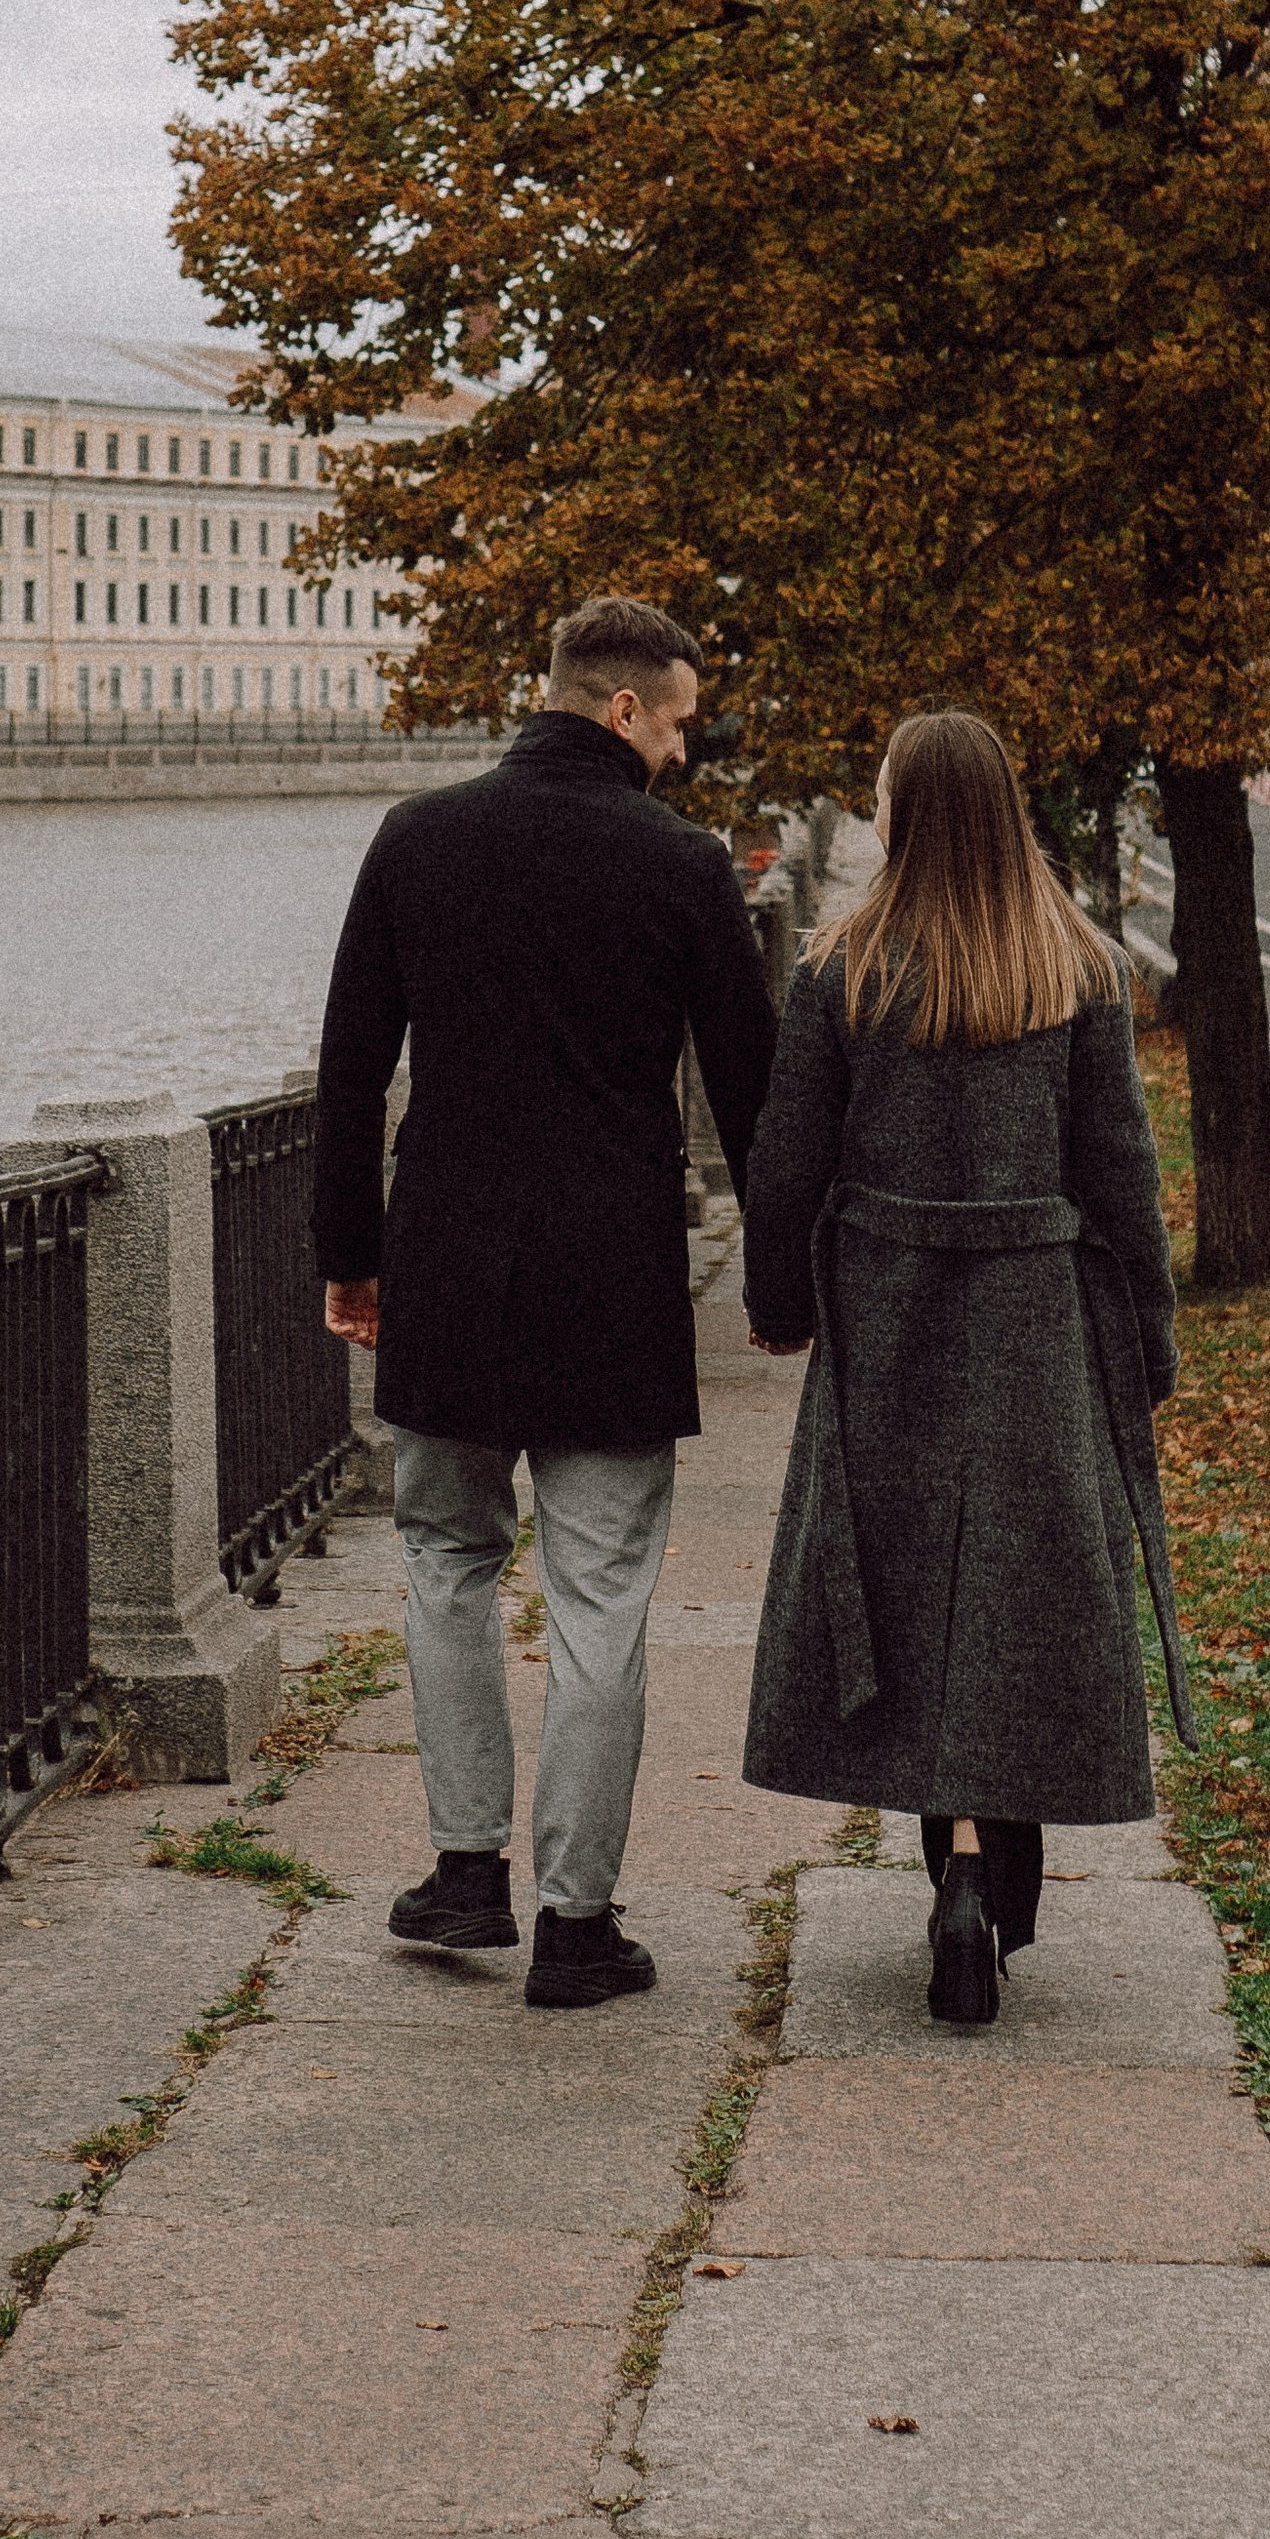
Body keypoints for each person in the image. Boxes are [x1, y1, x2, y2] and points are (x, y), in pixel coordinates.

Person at [313, 595, 778, 2008]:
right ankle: (578, 1925)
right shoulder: (685, 866)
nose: (687, 752)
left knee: (447, 1566)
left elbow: (347, 1068)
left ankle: (465, 1876)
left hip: (446, 1262)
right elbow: (754, 1094)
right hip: (612, 1279)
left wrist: (350, 1253)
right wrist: (782, 1275)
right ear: (625, 708)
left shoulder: (418, 836)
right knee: (600, 1596)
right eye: (682, 722)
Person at [738, 709, 1197, 2025]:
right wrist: (1148, 1341)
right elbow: (1122, 1173)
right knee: (1008, 1598)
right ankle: (990, 1871)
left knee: (907, 1594)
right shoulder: (1079, 972)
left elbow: (784, 1159)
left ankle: (951, 1866)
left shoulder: (844, 967)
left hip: (888, 1313)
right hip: (1038, 1320)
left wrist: (780, 1305)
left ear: (903, 814)